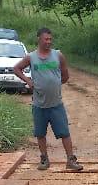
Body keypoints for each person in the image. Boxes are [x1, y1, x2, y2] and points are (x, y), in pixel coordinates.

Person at [14, 28, 83, 172]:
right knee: (40, 133)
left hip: (56, 104)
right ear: (39, 39)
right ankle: (44, 159)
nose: (48, 42)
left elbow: (65, 76)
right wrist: (28, 81)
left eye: (50, 39)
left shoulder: (58, 55)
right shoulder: (31, 57)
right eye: (46, 39)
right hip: (39, 105)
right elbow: (17, 68)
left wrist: (54, 83)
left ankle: (70, 160)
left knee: (64, 132)